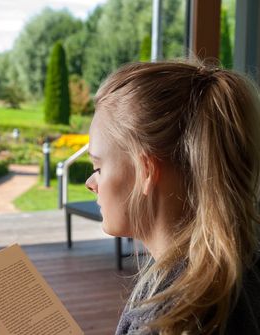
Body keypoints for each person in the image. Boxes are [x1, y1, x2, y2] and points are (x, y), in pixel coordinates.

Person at [85, 60, 260, 334]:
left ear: (146, 170)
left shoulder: (171, 319)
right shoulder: (243, 269)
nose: (90, 182)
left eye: (98, 167)